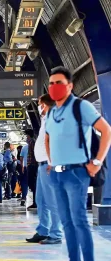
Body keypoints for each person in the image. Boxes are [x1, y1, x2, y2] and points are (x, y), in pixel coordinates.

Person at [45, 66, 111, 261]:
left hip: (77, 173)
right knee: (66, 222)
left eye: (59, 83)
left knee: (79, 221)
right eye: (51, 83)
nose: (54, 87)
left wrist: (97, 162)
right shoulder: (51, 113)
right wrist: (51, 161)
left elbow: (106, 131)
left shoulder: (80, 107)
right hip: (57, 175)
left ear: (70, 85)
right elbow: (48, 138)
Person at [27, 93, 63, 244]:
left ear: (47, 104)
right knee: (41, 200)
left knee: (52, 201)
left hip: (49, 165)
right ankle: (43, 230)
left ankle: (56, 234)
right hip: (42, 165)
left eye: (40, 103)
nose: (39, 106)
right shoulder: (45, 119)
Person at [24, 129, 38, 209]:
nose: (26, 138)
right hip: (31, 165)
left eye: (26, 136)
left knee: (33, 184)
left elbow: (34, 154)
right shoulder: (30, 143)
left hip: (33, 165)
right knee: (31, 184)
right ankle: (35, 202)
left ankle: (35, 202)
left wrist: (34, 165)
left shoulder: (32, 142)